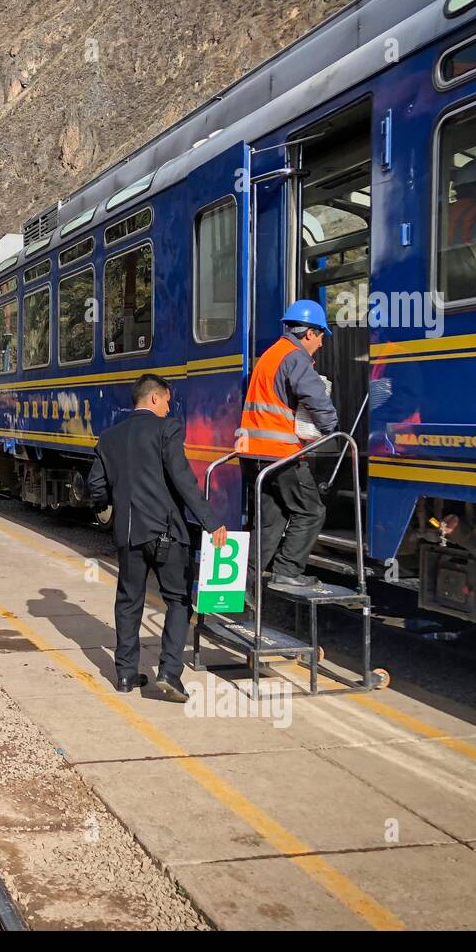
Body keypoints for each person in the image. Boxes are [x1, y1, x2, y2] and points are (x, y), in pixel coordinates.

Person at [89, 375, 228, 701]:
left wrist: (111, 503)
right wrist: (211, 522)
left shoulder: (109, 438)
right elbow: (182, 479)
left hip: (128, 535)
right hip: (167, 534)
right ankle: (168, 672)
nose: (169, 407)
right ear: (154, 398)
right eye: (167, 401)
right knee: (179, 601)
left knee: (128, 601)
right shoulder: (167, 429)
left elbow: (96, 487)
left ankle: (124, 675)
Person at [236, 299, 338, 592]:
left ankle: (245, 586)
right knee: (311, 511)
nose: (320, 344)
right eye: (321, 337)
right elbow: (315, 397)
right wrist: (333, 430)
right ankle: (288, 571)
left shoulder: (272, 354)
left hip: (253, 454)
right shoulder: (295, 357)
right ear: (310, 333)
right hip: (280, 454)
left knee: (270, 523)